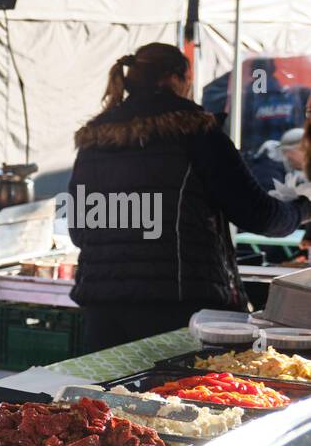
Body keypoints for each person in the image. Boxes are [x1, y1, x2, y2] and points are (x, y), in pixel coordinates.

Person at [68, 43, 311, 353]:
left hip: (103, 311)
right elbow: (259, 215)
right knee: (174, 398)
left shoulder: (94, 140)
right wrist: (303, 209)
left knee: (103, 399)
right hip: (179, 309)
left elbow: (78, 231)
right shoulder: (197, 131)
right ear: (178, 79)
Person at [249, 127, 306, 192]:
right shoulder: (268, 174)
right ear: (289, 152)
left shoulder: (287, 169)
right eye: (305, 150)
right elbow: (271, 201)